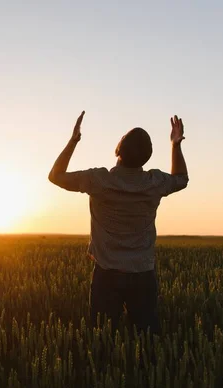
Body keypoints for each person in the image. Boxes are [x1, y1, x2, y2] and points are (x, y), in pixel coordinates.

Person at [48, 112, 189, 336]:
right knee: (148, 342)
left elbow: (56, 176)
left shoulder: (99, 180)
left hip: (106, 275)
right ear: (147, 157)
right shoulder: (154, 182)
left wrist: (73, 140)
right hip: (143, 274)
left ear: (119, 148)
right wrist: (175, 145)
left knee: (102, 340)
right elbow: (181, 179)